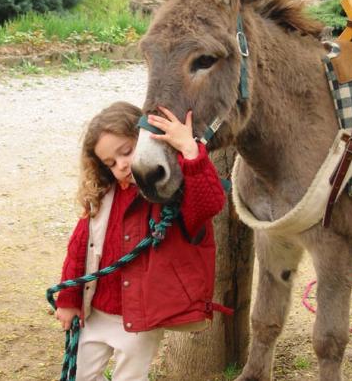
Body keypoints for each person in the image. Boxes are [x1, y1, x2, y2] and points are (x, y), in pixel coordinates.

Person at [55, 101, 226, 381]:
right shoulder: (103, 197)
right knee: (80, 375)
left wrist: (190, 152)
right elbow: (79, 249)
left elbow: (208, 204)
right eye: (110, 163)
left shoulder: (169, 195)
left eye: (127, 152)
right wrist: (69, 299)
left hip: (139, 319)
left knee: (129, 377)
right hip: (96, 312)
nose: (122, 165)